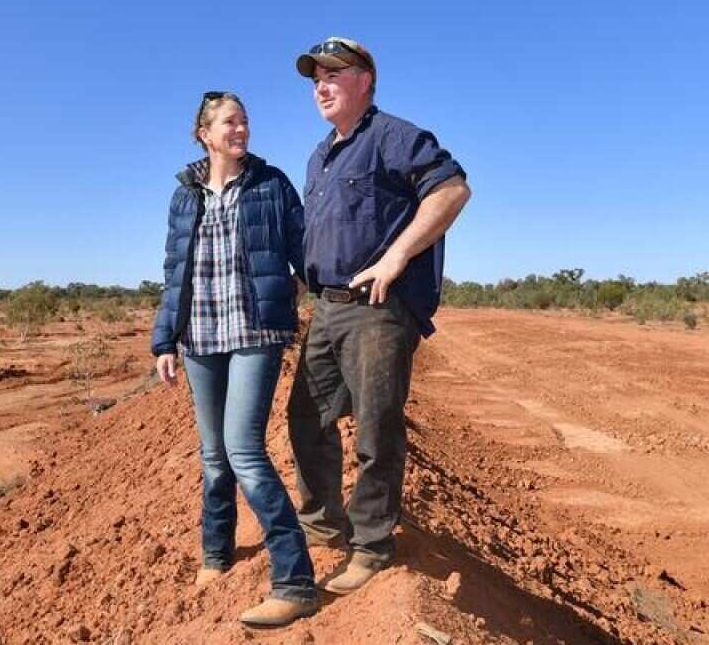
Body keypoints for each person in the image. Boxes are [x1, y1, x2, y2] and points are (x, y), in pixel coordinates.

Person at [287, 37, 471, 594]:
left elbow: (452, 190)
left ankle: (371, 546)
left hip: (376, 309)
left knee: (376, 430)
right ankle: (322, 525)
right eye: (315, 76)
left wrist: (397, 255)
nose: (321, 85)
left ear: (365, 80)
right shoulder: (320, 156)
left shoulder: (394, 136)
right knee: (306, 419)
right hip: (327, 308)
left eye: (334, 74)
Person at [151, 91, 318, 626]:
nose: (241, 129)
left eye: (245, 120)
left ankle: (294, 578)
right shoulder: (184, 195)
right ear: (204, 132)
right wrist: (163, 341)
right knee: (212, 454)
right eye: (230, 121)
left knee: (243, 448)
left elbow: (305, 248)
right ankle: (216, 553)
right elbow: (174, 271)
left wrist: (319, 288)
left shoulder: (270, 184)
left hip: (255, 331)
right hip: (200, 336)